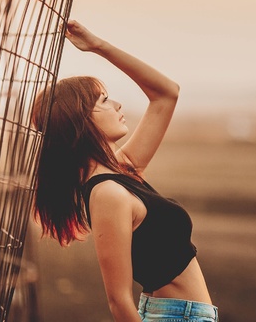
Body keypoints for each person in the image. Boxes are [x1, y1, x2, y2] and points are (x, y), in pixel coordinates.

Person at [31, 20, 217, 322]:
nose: (117, 104)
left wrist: (98, 46)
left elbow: (166, 93)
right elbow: (118, 302)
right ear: (82, 123)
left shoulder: (121, 170)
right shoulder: (108, 194)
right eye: (103, 101)